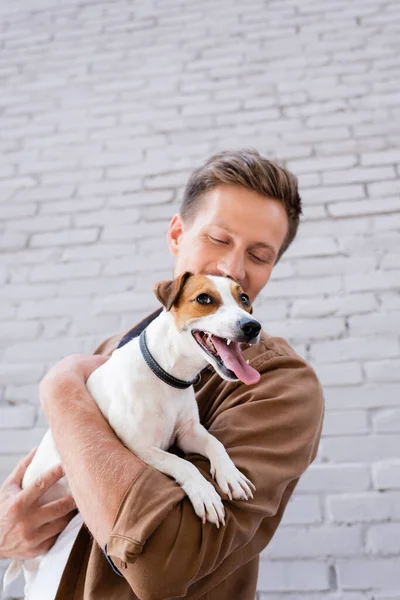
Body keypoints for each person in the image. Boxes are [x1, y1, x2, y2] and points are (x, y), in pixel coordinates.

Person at [0, 149, 324, 600]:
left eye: (259, 254)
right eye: (218, 238)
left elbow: (160, 564)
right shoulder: (108, 355)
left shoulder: (281, 388)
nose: (233, 267)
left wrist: (59, 391)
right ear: (177, 234)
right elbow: (49, 484)